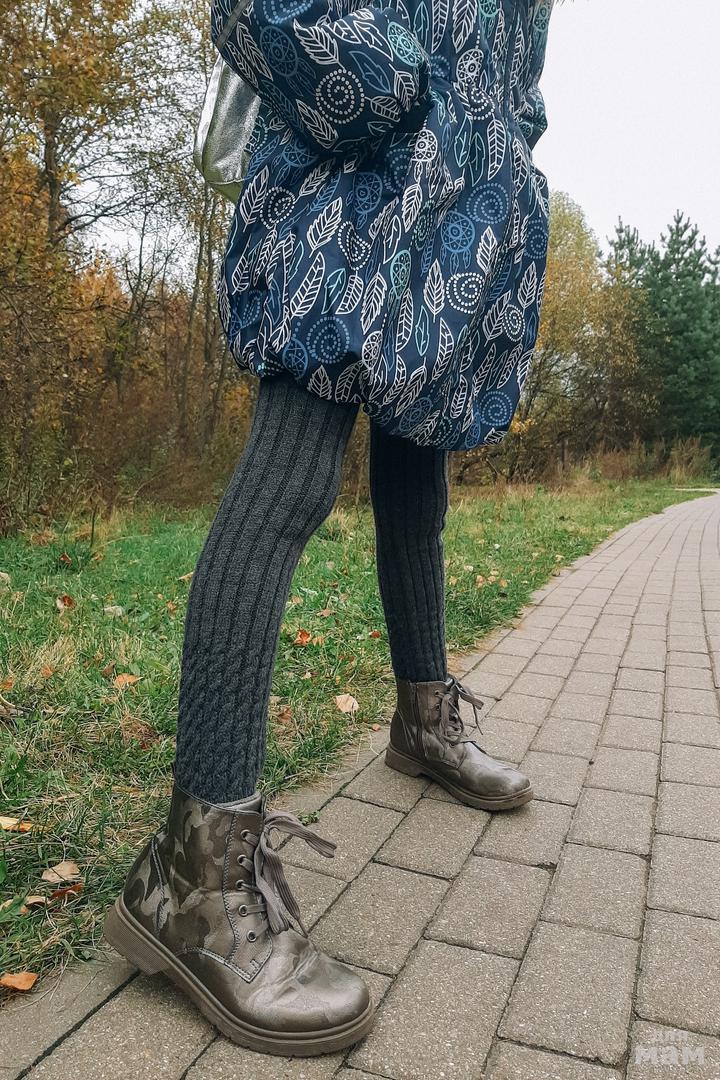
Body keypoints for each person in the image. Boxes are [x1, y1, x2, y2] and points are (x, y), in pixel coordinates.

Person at [104, 0, 554, 1058]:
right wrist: (397, 93)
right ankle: (192, 878)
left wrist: (503, 152)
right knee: (292, 476)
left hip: (459, 202)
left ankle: (424, 720)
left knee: (418, 476)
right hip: (353, 167)